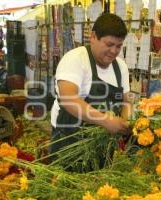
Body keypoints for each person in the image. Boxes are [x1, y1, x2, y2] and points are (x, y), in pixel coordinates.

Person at [50, 13, 132, 157]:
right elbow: (69, 100)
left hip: (104, 144)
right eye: (109, 44)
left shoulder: (121, 67)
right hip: (69, 142)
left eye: (119, 46)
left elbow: (126, 102)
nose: (114, 51)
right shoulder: (75, 59)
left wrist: (125, 122)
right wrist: (106, 121)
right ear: (93, 37)